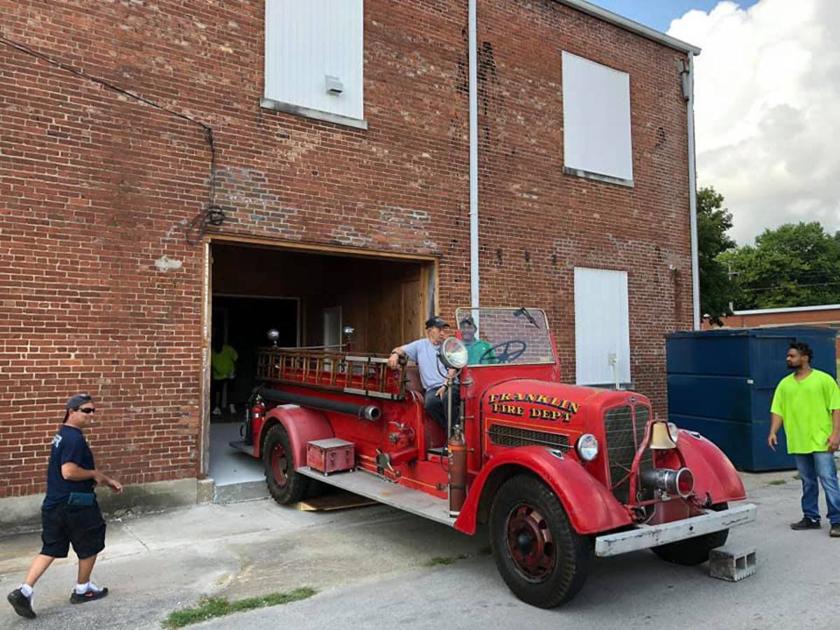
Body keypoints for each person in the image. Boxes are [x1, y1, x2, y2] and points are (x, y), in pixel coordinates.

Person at [7, 394, 123, 620]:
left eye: (93, 411)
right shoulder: (73, 438)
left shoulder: (62, 434)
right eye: (86, 410)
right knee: (91, 540)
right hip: (76, 502)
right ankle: (83, 589)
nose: (91, 415)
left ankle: (24, 591)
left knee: (50, 547)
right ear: (71, 411)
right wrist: (94, 474)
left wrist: (106, 480)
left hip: (54, 503)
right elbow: (68, 471)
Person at [767, 342, 840, 538]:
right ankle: (811, 517)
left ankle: (837, 520)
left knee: (828, 479)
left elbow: (836, 408)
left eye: (792, 356)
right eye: (788, 356)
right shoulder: (785, 384)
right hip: (798, 440)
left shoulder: (824, 380)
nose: (788, 359)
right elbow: (778, 410)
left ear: (805, 357)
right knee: (808, 481)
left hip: (822, 439)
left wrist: (836, 434)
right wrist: (773, 431)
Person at [388, 316, 458, 433]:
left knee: (447, 397)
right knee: (430, 404)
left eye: (444, 330)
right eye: (439, 330)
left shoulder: (448, 346)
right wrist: (394, 354)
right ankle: (451, 431)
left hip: (450, 384)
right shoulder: (420, 345)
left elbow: (453, 367)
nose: (442, 333)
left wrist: (445, 385)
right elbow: (400, 349)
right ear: (430, 331)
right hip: (432, 388)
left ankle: (453, 435)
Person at [211, 340, 238, 415]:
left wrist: (234, 371)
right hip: (218, 375)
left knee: (231, 390)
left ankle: (232, 406)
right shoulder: (211, 352)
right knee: (217, 391)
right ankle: (217, 407)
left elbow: (236, 359)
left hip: (230, 373)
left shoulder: (228, 349)